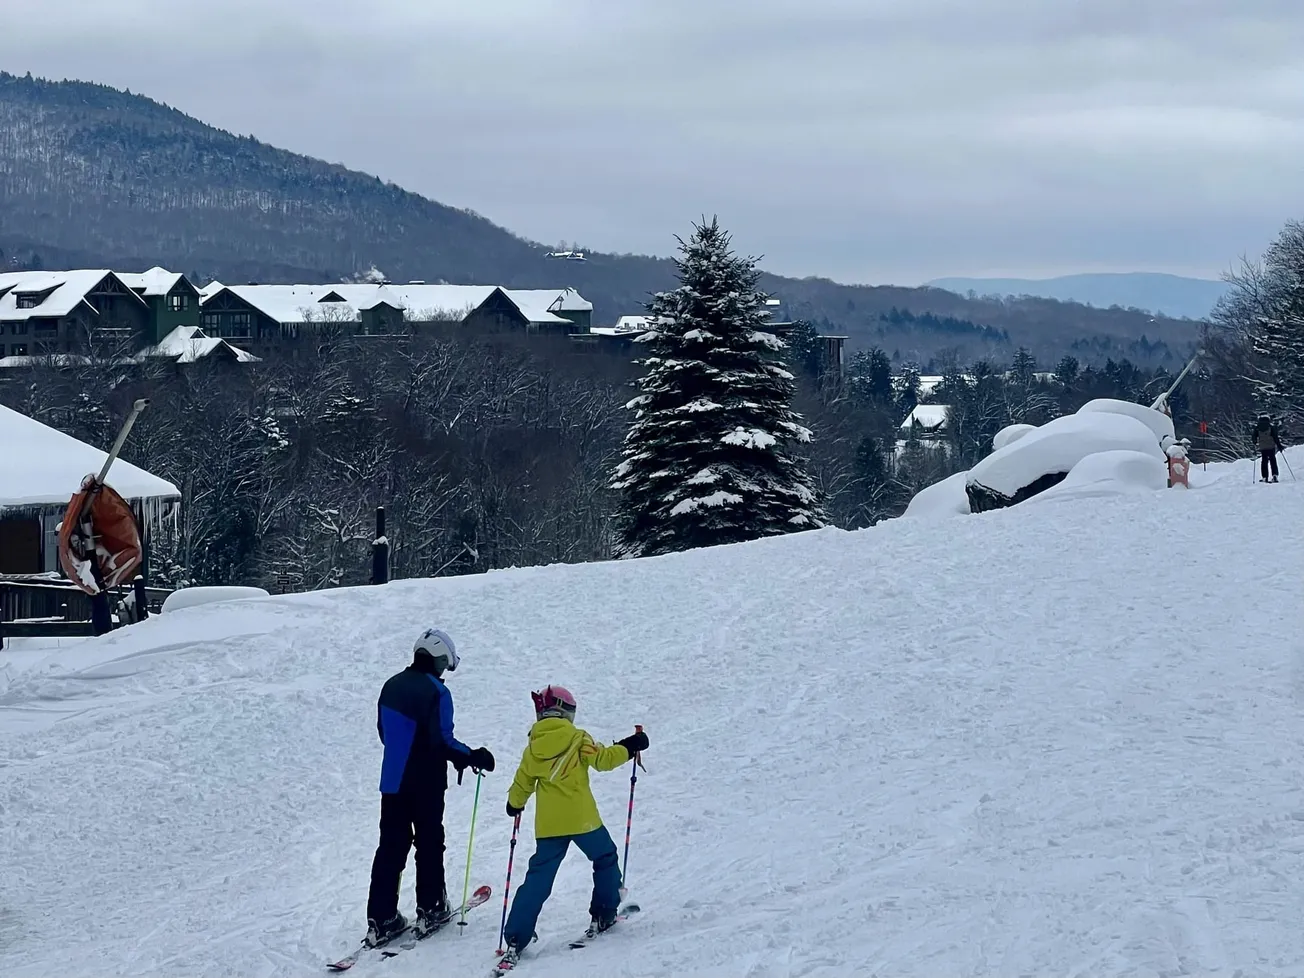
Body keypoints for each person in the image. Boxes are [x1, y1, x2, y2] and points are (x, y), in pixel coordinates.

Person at [496, 686, 648, 967]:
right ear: (565, 711)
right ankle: (604, 913)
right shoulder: (578, 738)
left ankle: (516, 936)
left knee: (539, 877)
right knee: (604, 857)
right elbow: (603, 760)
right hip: (582, 820)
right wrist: (630, 745)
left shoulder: (533, 746)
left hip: (549, 825)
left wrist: (514, 804)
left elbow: (522, 782)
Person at [364, 628, 495, 947]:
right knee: (429, 843)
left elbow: (384, 733)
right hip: (425, 782)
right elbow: (442, 740)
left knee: (391, 848)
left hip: (393, 782)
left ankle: (381, 919)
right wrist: (473, 756)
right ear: (439, 659)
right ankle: (431, 908)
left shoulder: (390, 685)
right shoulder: (437, 691)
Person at [1254, 414, 1285, 483]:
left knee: (1264, 461)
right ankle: (1275, 475)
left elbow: (1254, 437)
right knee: (1273, 460)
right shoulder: (1271, 427)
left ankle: (1265, 477)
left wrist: (1255, 443)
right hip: (1271, 446)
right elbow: (1275, 437)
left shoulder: (1257, 427)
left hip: (1263, 447)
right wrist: (1279, 446)